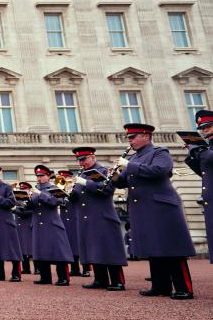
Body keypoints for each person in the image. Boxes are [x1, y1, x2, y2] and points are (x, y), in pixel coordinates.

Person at [112, 123, 196, 299]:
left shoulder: (159, 152)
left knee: (172, 247)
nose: (130, 141)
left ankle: (183, 288)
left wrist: (129, 165)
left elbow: (160, 171)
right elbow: (123, 182)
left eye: (133, 137)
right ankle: (160, 286)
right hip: (143, 207)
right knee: (153, 247)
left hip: (161, 206)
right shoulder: (134, 158)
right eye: (129, 138)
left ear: (146, 136)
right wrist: (114, 175)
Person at [70, 147, 128, 290]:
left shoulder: (103, 171)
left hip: (102, 216)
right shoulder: (82, 173)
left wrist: (85, 183)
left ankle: (117, 281)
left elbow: (106, 189)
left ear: (93, 157)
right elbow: (80, 196)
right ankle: (100, 279)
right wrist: (69, 193)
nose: (81, 163)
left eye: (84, 159)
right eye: (79, 160)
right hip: (87, 217)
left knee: (109, 248)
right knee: (94, 248)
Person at [27, 165, 72, 286]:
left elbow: (55, 202)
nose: (39, 178)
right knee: (41, 250)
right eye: (38, 176)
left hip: (52, 223)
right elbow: (31, 207)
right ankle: (45, 277)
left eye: (42, 176)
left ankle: (63, 278)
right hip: (38, 223)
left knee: (58, 251)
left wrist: (40, 194)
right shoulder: (35, 189)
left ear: (48, 176)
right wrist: (25, 200)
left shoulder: (54, 188)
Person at [184, 110, 213, 265]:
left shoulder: (207, 150)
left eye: (208, 126)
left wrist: (199, 150)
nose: (205, 130)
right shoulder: (208, 147)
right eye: (202, 128)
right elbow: (204, 172)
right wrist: (193, 155)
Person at [57, 170, 89, 277]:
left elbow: (78, 198)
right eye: (61, 179)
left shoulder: (76, 187)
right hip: (65, 219)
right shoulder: (60, 189)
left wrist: (71, 188)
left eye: (65, 178)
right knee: (70, 245)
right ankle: (74, 268)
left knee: (80, 244)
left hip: (75, 217)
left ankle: (86, 269)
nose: (62, 180)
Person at [13, 182, 34, 275]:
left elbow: (31, 211)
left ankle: (37, 268)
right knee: (22, 247)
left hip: (29, 224)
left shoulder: (32, 198)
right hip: (19, 225)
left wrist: (17, 211)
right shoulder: (17, 199)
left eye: (24, 189)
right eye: (21, 189)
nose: (22, 191)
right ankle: (26, 268)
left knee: (32, 247)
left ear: (28, 189)